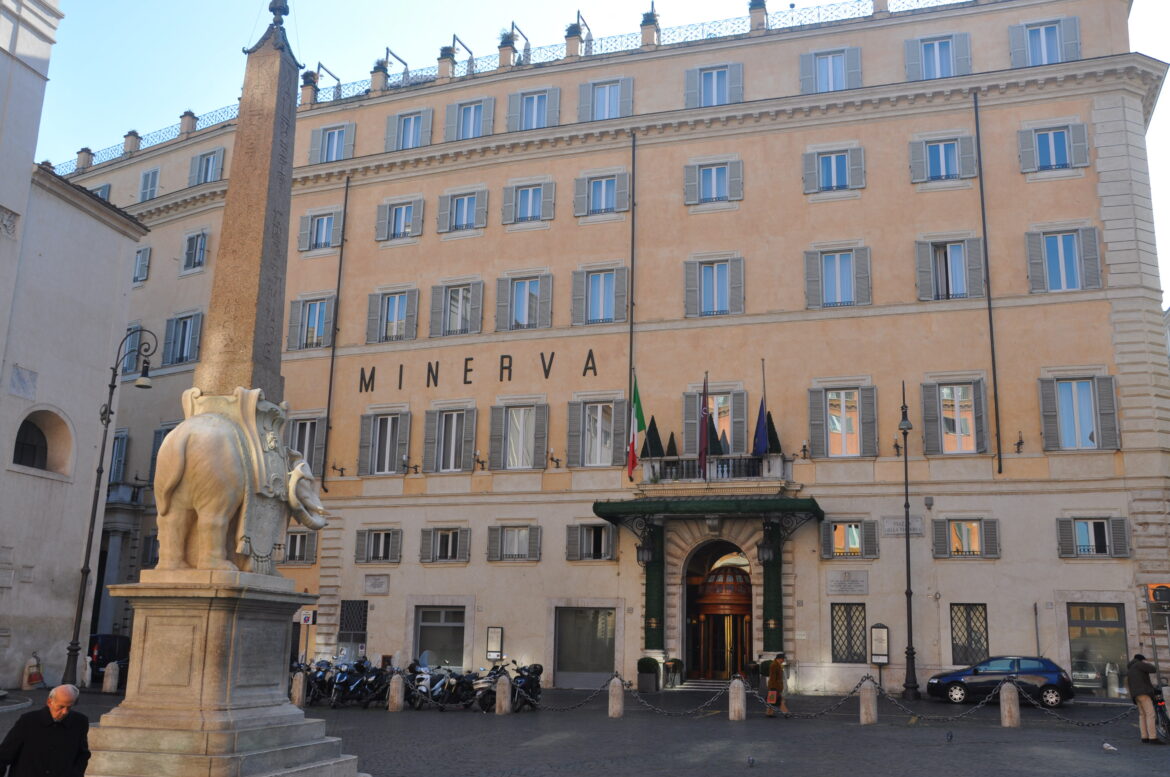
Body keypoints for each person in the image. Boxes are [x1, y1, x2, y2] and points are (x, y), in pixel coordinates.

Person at [0, 684, 91, 776]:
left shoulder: (80, 722)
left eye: (69, 707)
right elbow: (4, 754)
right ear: (49, 702)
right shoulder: (28, 721)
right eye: (61, 707)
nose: (65, 712)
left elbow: (82, 755)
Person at [1127, 654, 1164, 745]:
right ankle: (1153, 738)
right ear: (1141, 660)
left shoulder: (1131, 667)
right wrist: (1146, 663)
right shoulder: (1139, 664)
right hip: (1143, 693)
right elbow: (1153, 669)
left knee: (1142, 715)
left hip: (1136, 695)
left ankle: (1144, 737)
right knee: (1150, 714)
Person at [766, 653, 791, 717]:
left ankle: (769, 713)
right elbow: (772, 677)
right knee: (780, 700)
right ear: (779, 659)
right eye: (782, 659)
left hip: (776, 686)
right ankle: (786, 713)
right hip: (774, 686)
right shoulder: (774, 665)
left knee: (772, 700)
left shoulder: (778, 665)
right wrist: (773, 687)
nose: (783, 660)